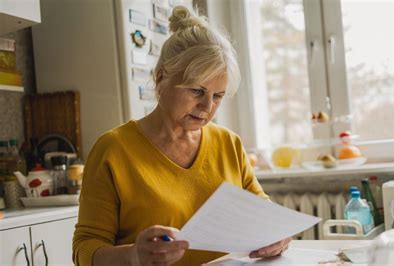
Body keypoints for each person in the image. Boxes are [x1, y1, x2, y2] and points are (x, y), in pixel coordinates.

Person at [73, 5, 290, 266]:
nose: (207, 107)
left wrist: (278, 236)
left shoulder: (228, 143)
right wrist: (134, 256)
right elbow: (85, 249)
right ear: (161, 77)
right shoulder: (113, 149)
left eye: (217, 96)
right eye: (197, 91)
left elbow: (265, 216)